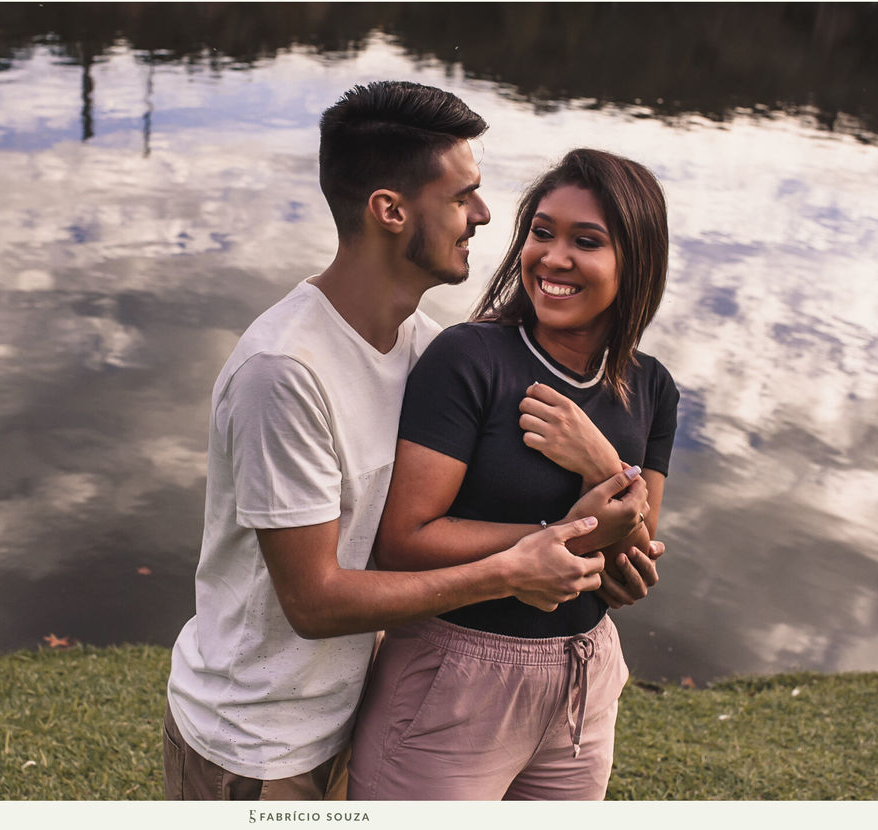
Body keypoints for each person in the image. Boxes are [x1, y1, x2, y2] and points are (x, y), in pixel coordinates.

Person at [163, 85, 657, 801]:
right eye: (464, 197)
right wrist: (514, 570)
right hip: (255, 746)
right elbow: (315, 601)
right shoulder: (284, 371)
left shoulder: (428, 352)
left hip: (361, 714)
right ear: (391, 211)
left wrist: (598, 546)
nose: (486, 216)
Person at [347, 148, 679, 801]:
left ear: (636, 261)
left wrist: (601, 466)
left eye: (587, 242)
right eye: (542, 232)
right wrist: (565, 530)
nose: (553, 257)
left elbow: (629, 552)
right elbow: (403, 542)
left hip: (583, 678)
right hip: (454, 677)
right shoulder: (469, 360)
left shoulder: (653, 387)